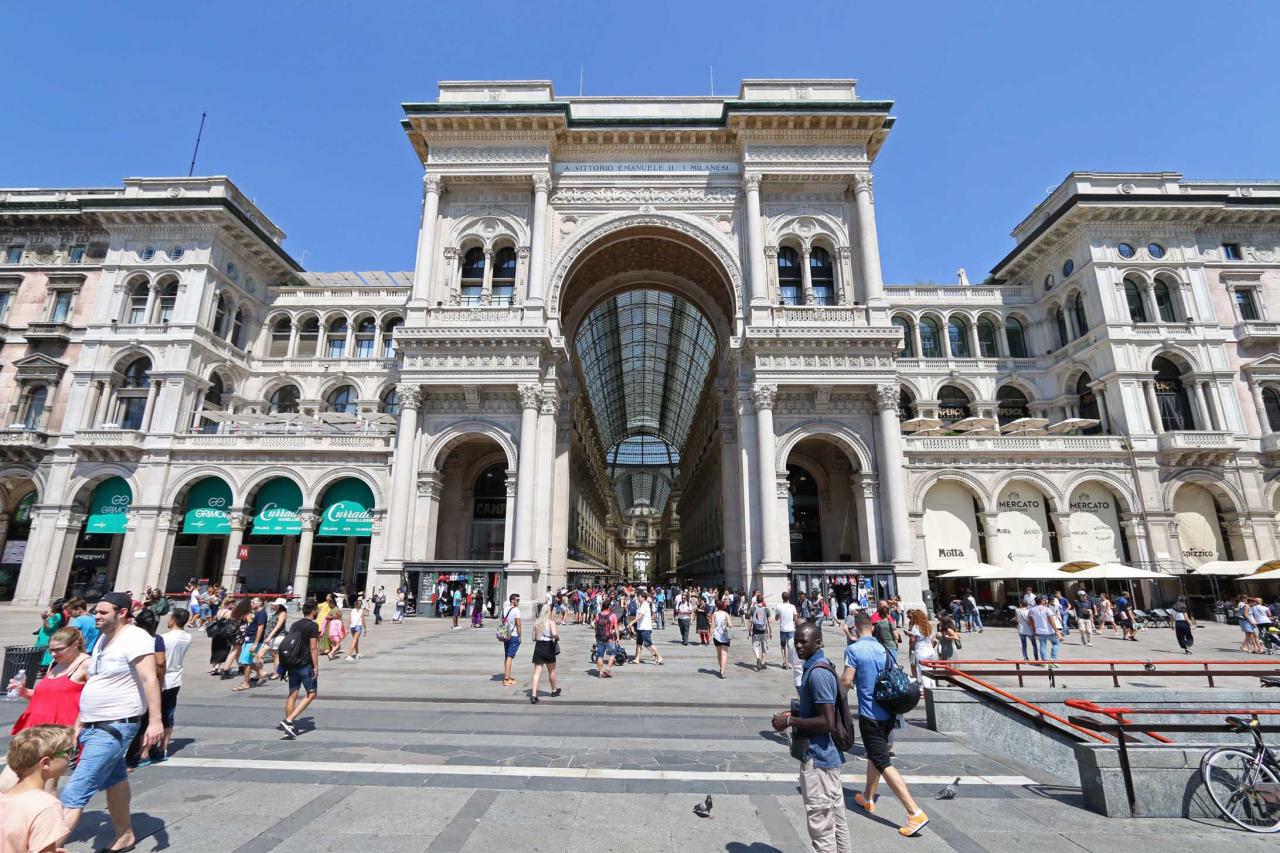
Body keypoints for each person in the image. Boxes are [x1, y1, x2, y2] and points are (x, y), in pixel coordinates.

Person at [59, 592, 163, 853]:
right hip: (95, 723)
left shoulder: (135, 637)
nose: (97, 616)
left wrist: (155, 721)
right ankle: (125, 834)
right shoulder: (104, 640)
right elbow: (96, 682)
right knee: (115, 780)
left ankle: (46, 846)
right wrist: (79, 723)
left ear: (123, 613)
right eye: (96, 611)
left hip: (116, 725)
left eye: (103, 612)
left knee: (75, 791)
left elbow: (151, 678)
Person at [841, 612, 929, 837]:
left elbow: (847, 680)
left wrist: (841, 696)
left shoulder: (854, 649)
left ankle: (913, 811)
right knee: (875, 754)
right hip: (888, 712)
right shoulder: (884, 650)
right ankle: (868, 797)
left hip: (870, 714)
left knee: (882, 761)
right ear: (871, 628)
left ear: (855, 629)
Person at [770, 621, 851, 852]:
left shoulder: (817, 674)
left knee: (822, 827)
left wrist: (789, 721)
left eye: (803, 641)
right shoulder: (818, 666)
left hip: (819, 759)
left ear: (819, 642)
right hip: (827, 758)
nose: (798, 646)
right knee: (836, 820)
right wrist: (796, 712)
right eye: (796, 641)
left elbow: (827, 722)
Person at [3, 627, 89, 792]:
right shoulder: (56, 663)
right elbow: (46, 696)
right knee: (15, 781)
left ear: (75, 644)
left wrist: (77, 731)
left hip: (57, 732)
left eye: (58, 649)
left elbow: (93, 701)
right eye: (51, 650)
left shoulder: (87, 664)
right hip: (34, 728)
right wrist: (24, 691)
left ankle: (49, 816)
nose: (53, 654)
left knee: (46, 785)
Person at [0, 725, 76, 853]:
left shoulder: (4, 798)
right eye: (68, 752)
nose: (70, 757)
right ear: (45, 763)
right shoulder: (47, 806)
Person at [278, 601, 321, 739]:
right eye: (317, 610)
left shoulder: (295, 624)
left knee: (292, 694)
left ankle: (288, 727)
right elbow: (313, 648)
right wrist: (316, 666)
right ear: (313, 611)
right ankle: (289, 720)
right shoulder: (313, 626)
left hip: (292, 664)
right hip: (304, 664)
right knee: (311, 693)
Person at [158, 608, 192, 761]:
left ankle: (146, 747)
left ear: (173, 620)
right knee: (168, 714)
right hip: (175, 678)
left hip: (162, 678)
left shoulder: (164, 638)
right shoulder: (187, 637)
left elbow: (159, 661)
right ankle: (163, 747)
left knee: (154, 714)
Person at [529, 604, 561, 703]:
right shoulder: (551, 622)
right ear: (549, 612)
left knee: (537, 672)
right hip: (548, 647)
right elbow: (555, 635)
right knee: (551, 671)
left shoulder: (537, 622)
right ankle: (554, 690)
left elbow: (533, 638)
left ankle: (534, 694)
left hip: (539, 647)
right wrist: (557, 637)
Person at [236, 597, 268, 691]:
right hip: (248, 639)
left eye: (253, 602)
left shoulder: (262, 613)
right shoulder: (255, 613)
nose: (251, 604)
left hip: (253, 640)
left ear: (260, 603)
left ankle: (246, 683)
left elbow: (260, 628)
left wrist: (255, 643)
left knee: (246, 662)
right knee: (244, 661)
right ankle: (260, 671)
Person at [629, 591, 664, 665]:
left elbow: (640, 616)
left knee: (649, 643)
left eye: (639, 596)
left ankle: (659, 657)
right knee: (639, 644)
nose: (638, 597)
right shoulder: (641, 605)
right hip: (640, 628)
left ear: (643, 598)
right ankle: (637, 659)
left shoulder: (645, 605)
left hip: (645, 628)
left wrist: (632, 622)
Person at [906, 609, 937, 681]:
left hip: (920, 651)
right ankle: (933, 688)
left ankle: (927, 690)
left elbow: (913, 640)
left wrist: (912, 646)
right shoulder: (929, 626)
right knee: (930, 671)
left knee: (924, 673)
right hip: (930, 650)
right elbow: (933, 639)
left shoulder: (916, 627)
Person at [263, 599, 289, 679]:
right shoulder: (275, 612)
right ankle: (278, 671)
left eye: (276, 604)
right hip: (270, 636)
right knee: (275, 655)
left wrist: (270, 636)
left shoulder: (283, 613)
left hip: (277, 636)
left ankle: (275, 672)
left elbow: (278, 626)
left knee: (272, 655)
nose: (274, 605)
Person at [1030, 596, 1061, 664]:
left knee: (1042, 645)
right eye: (1043, 600)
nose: (1045, 601)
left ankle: (1044, 661)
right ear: (1041, 601)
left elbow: (1032, 622)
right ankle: (1053, 659)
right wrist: (1056, 630)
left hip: (1039, 631)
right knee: (1056, 643)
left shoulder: (1032, 610)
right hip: (1049, 631)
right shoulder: (1047, 609)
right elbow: (1051, 621)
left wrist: (1034, 631)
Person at [499, 594, 522, 686]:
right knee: (510, 656)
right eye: (517, 600)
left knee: (507, 656)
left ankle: (507, 675)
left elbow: (502, 620)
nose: (518, 601)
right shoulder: (516, 610)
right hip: (514, 635)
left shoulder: (504, 609)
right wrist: (520, 636)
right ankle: (506, 679)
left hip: (506, 634)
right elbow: (518, 624)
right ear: (512, 600)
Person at [594, 600, 620, 679]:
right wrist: (618, 637)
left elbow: (596, 627)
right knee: (613, 652)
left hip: (600, 638)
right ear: (609, 607)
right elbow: (616, 627)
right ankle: (608, 669)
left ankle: (600, 673)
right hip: (609, 638)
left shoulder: (598, 615)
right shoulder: (613, 615)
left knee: (600, 655)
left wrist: (596, 635)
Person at [775, 591, 798, 668]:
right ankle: (790, 662)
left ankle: (785, 661)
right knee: (790, 647)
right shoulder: (792, 607)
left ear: (782, 598)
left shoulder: (779, 606)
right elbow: (795, 618)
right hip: (791, 629)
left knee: (783, 646)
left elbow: (776, 618)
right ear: (789, 598)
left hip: (783, 629)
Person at [749, 594, 772, 671]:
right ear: (763, 601)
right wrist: (770, 631)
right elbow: (769, 622)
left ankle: (758, 659)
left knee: (755, 646)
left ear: (756, 601)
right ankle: (763, 663)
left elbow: (750, 620)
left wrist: (749, 630)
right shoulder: (766, 609)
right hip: (764, 631)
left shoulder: (753, 609)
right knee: (764, 647)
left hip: (755, 631)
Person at [711, 599, 731, 679]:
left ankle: (721, 668)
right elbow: (730, 625)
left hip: (716, 636)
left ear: (716, 606)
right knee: (724, 654)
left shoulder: (714, 614)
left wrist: (709, 636)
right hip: (725, 636)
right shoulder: (726, 614)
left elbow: (712, 626)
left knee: (719, 654)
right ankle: (722, 671)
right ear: (723, 606)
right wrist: (726, 623)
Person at [346, 596, 367, 660]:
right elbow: (363, 620)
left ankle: (357, 653)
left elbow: (349, 619)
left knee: (356, 641)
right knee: (355, 641)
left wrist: (347, 628)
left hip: (352, 627)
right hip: (358, 627)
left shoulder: (352, 610)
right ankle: (349, 655)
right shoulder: (362, 611)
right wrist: (365, 629)